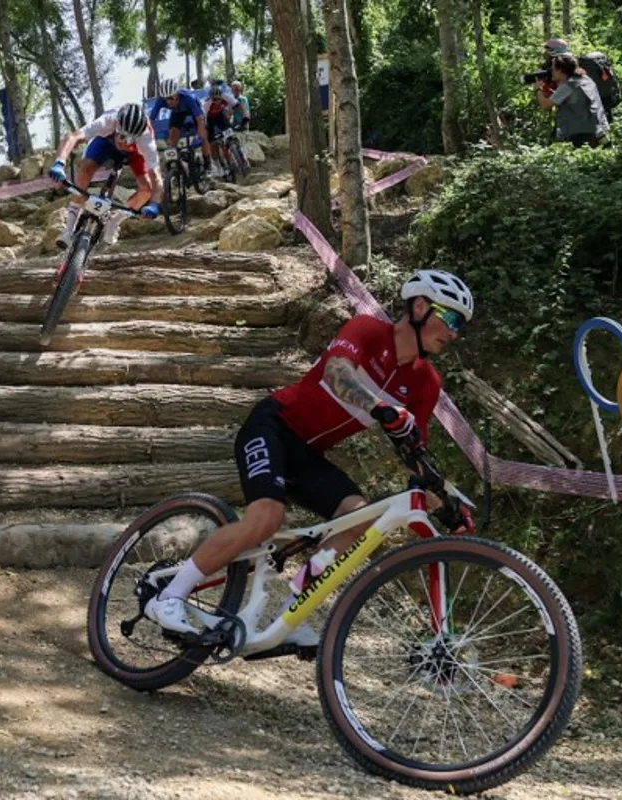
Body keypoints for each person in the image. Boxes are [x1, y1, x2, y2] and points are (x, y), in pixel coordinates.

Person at [143, 269, 476, 645]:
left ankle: (291, 609)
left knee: (359, 519)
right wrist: (379, 407)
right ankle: (169, 595)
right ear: (418, 307)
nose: (453, 332)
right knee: (268, 516)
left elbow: (415, 450)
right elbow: (337, 373)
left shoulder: (426, 381)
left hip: (308, 454)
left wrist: (445, 501)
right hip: (272, 426)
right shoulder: (367, 331)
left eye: (460, 325)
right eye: (449, 318)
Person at [48, 102, 163, 250]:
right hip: (106, 141)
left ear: (138, 136)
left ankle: (115, 221)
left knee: (146, 189)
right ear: (117, 125)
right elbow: (73, 137)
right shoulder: (108, 121)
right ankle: (68, 228)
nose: (124, 143)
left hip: (135, 153)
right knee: (85, 169)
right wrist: (59, 163)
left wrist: (154, 204)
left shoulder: (146, 139)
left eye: (129, 139)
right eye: (121, 136)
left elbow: (157, 178)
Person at [149, 78, 225, 179]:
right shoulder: (161, 100)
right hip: (178, 112)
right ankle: (177, 167)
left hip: (195, 111)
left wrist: (200, 132)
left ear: (177, 94)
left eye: (171, 98)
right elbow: (150, 119)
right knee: (172, 137)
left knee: (203, 136)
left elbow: (199, 119)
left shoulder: (187, 97)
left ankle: (208, 165)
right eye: (165, 98)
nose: (168, 101)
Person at [535, 52, 609, 147]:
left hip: (580, 134)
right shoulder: (585, 79)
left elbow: (545, 105)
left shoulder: (567, 86)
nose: (551, 72)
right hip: (600, 130)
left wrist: (538, 89)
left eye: (553, 69)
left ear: (560, 70)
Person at [202, 81, 238, 175]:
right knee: (211, 142)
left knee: (230, 133)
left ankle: (238, 152)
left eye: (218, 99)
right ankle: (218, 165)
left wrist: (246, 116)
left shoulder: (226, 97)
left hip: (220, 116)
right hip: (209, 119)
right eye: (214, 100)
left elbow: (238, 105)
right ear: (210, 99)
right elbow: (202, 120)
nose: (216, 102)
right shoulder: (206, 104)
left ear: (221, 96)